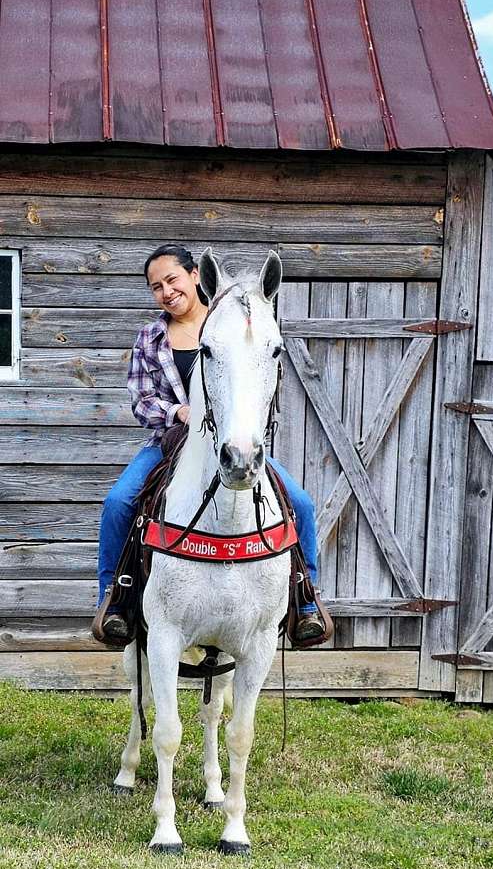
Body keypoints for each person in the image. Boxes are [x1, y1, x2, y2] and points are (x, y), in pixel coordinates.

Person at [95, 244, 325, 645]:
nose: (166, 291)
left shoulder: (230, 325)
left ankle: (305, 601)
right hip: (169, 442)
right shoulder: (151, 337)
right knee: (118, 503)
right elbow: (142, 399)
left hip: (228, 439)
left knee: (300, 503)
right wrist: (179, 413)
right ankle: (115, 601)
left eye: (172, 279)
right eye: (155, 287)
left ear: (195, 276)